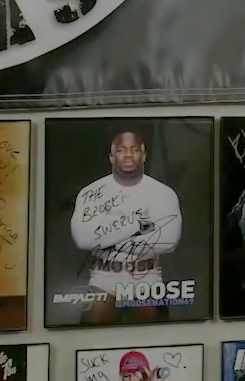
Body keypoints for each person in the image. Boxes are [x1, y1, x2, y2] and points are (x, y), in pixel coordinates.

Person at [69, 129, 184, 325]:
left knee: (154, 339)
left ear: (144, 155)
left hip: (147, 280)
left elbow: (168, 240)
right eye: (122, 150)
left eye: (135, 150)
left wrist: (106, 237)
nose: (129, 155)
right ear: (111, 157)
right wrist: (137, 226)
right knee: (92, 337)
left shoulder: (163, 193)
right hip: (103, 279)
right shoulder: (90, 193)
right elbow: (83, 239)